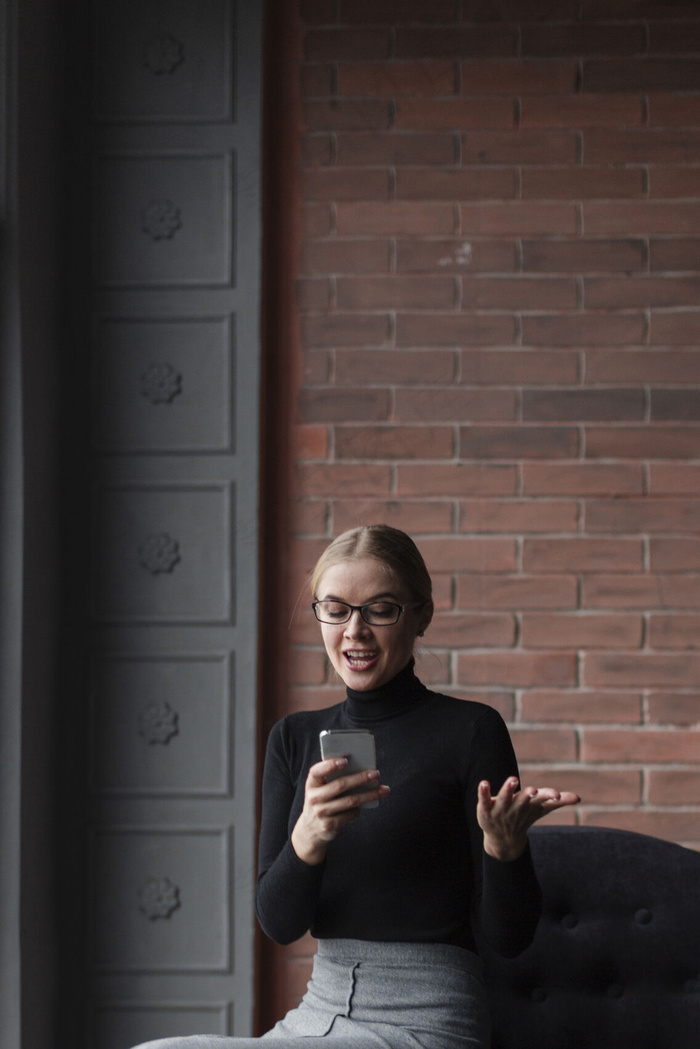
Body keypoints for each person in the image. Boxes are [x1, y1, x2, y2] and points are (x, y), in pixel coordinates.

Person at [133, 525, 580, 1049]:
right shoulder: (294, 738)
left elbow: (510, 939)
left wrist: (505, 848)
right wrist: (309, 837)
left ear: (422, 615)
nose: (354, 631)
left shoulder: (470, 730)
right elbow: (280, 925)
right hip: (318, 1013)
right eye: (336, 609)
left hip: (428, 1019)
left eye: (380, 609)